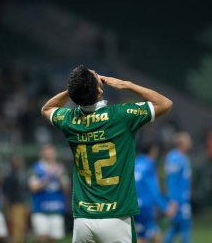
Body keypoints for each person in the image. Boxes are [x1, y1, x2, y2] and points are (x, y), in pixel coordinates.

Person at [41, 65, 172, 243]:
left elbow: (47, 108)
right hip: (116, 217)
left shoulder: (69, 119)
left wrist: (74, 90)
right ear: (100, 88)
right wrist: (127, 85)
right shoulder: (121, 116)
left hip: (83, 220)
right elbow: (165, 103)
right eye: (97, 77)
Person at [28, 143, 70, 243]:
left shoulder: (60, 168)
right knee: (42, 238)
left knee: (53, 239)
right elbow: (33, 187)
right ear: (42, 153)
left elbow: (66, 188)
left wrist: (59, 177)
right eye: (47, 152)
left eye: (51, 152)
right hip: (40, 209)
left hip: (56, 208)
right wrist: (48, 176)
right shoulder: (36, 168)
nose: (49, 154)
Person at [134, 142, 171, 243]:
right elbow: (153, 190)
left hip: (133, 205)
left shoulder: (135, 162)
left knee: (154, 234)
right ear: (152, 151)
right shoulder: (149, 164)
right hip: (145, 207)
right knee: (142, 238)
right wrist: (165, 207)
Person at [163, 132, 193, 243]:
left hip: (182, 200)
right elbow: (171, 181)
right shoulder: (175, 158)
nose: (190, 142)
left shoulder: (182, 157)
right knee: (185, 228)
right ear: (181, 143)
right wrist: (173, 201)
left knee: (175, 228)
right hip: (179, 201)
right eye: (187, 140)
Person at [3, 156, 29, 243]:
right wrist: (7, 206)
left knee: (21, 227)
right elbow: (6, 192)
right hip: (14, 204)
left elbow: (25, 190)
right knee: (16, 227)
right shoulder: (10, 176)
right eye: (16, 162)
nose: (18, 164)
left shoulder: (22, 174)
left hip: (22, 203)